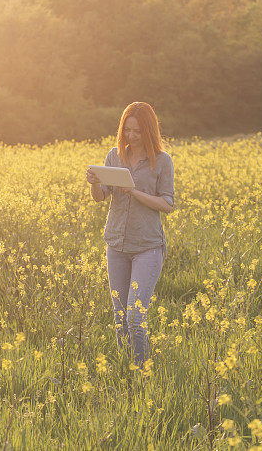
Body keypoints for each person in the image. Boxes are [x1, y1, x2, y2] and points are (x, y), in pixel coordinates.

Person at [85, 101, 175, 365]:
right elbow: (100, 198)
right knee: (120, 316)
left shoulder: (162, 161)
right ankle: (127, 371)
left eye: (137, 131)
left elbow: (168, 204)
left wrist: (135, 191)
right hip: (116, 245)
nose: (131, 136)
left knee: (136, 317)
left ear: (149, 131)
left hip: (147, 246)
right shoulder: (114, 156)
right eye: (127, 130)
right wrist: (94, 183)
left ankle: (142, 372)